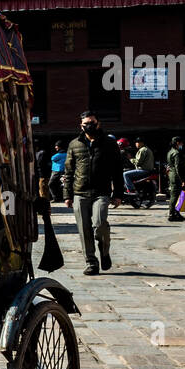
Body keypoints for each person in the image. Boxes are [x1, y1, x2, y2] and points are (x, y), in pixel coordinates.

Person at [63, 111, 125, 275]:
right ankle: (91, 262)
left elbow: (118, 171)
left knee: (99, 224)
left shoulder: (109, 144)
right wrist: (67, 195)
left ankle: (104, 252)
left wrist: (118, 194)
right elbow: (68, 172)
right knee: (84, 230)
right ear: (81, 126)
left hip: (101, 192)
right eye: (86, 123)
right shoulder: (74, 144)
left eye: (92, 122)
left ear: (98, 123)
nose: (89, 126)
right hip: (80, 192)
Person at [166, 136, 185, 222]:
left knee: (175, 195)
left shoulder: (170, 152)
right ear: (177, 143)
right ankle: (172, 214)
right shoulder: (176, 153)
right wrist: (182, 180)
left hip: (172, 174)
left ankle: (176, 213)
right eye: (181, 143)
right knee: (174, 196)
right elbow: (178, 167)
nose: (182, 144)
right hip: (176, 176)